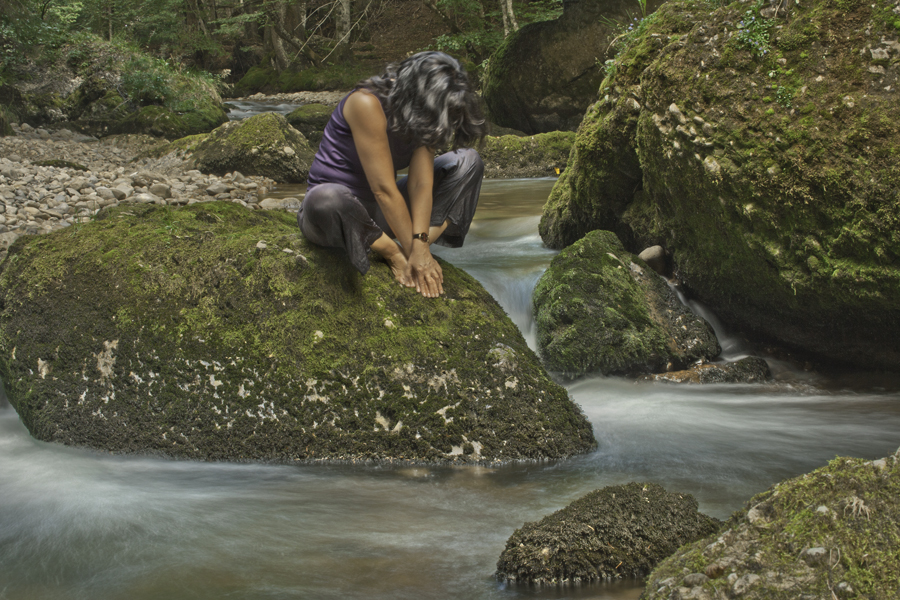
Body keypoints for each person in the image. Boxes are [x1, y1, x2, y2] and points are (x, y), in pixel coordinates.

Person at [297, 51, 488, 298]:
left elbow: (420, 184)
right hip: (338, 213)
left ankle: (417, 247)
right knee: (327, 198)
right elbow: (384, 189)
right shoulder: (366, 103)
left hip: (381, 214)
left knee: (468, 161)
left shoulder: (424, 116)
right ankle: (390, 251)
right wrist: (403, 255)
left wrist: (419, 245)